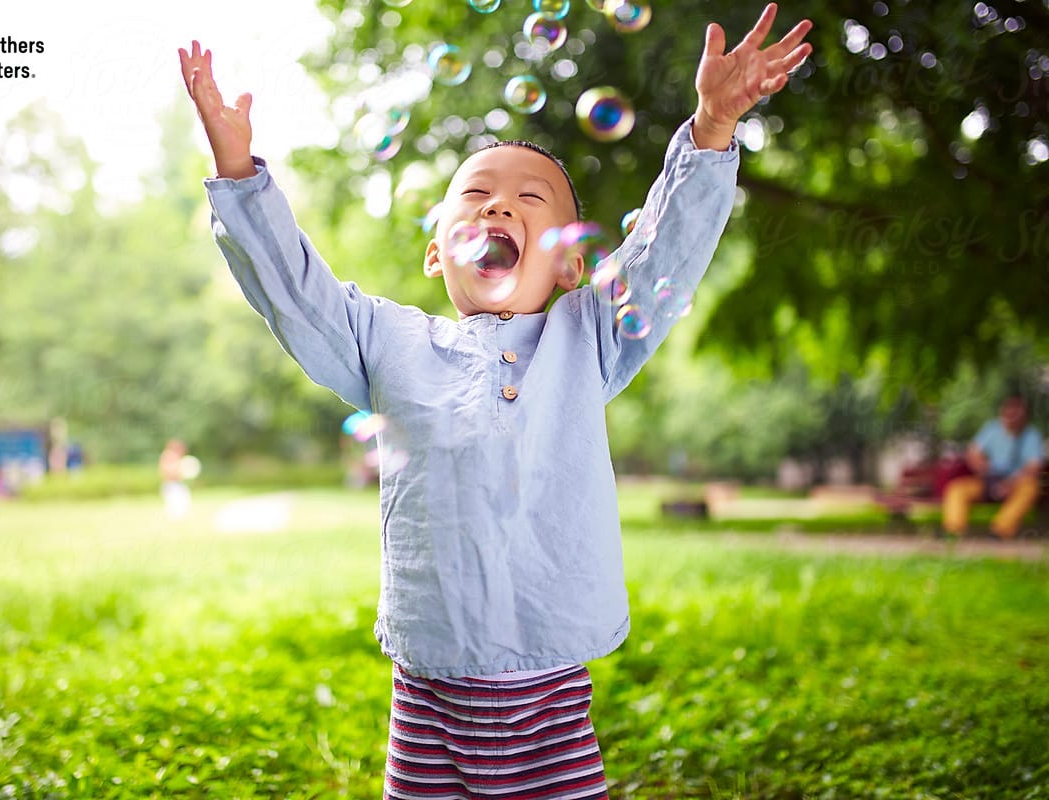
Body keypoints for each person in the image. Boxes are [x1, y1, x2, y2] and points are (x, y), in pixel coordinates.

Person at [180, 5, 811, 796]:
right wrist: (240, 175)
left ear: (571, 264)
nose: (498, 206)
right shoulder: (388, 343)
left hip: (546, 683)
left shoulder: (590, 337)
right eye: (474, 194)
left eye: (530, 198)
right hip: (428, 690)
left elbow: (661, 255)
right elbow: (297, 297)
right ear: (435, 247)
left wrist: (712, 127)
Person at [942, 393, 1044, 540]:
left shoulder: (1032, 436)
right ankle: (953, 531)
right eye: (1008, 412)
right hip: (989, 480)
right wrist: (985, 470)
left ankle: (1000, 530)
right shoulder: (992, 429)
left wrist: (1009, 483)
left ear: (1024, 416)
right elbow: (973, 452)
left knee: (1031, 488)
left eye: (1016, 413)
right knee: (957, 488)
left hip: (1016, 483)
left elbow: (1034, 467)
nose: (1011, 417)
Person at [159, 438, 191, 518]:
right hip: (171, 485)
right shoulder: (169, 455)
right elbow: (168, 471)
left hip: (175, 484)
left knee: (182, 501)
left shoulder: (173, 456)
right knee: (173, 503)